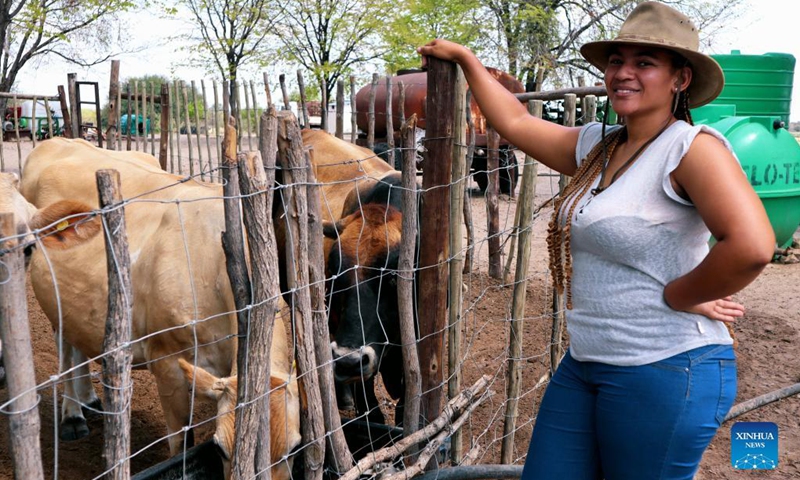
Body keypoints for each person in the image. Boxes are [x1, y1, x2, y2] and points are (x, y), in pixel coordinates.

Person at [418, 2, 775, 479]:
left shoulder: (691, 149)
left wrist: (682, 293)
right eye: (616, 61)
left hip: (665, 367)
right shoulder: (599, 146)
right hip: (586, 361)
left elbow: (752, 246)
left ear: (680, 79)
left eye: (644, 62)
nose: (623, 73)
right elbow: (517, 124)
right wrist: (467, 60)